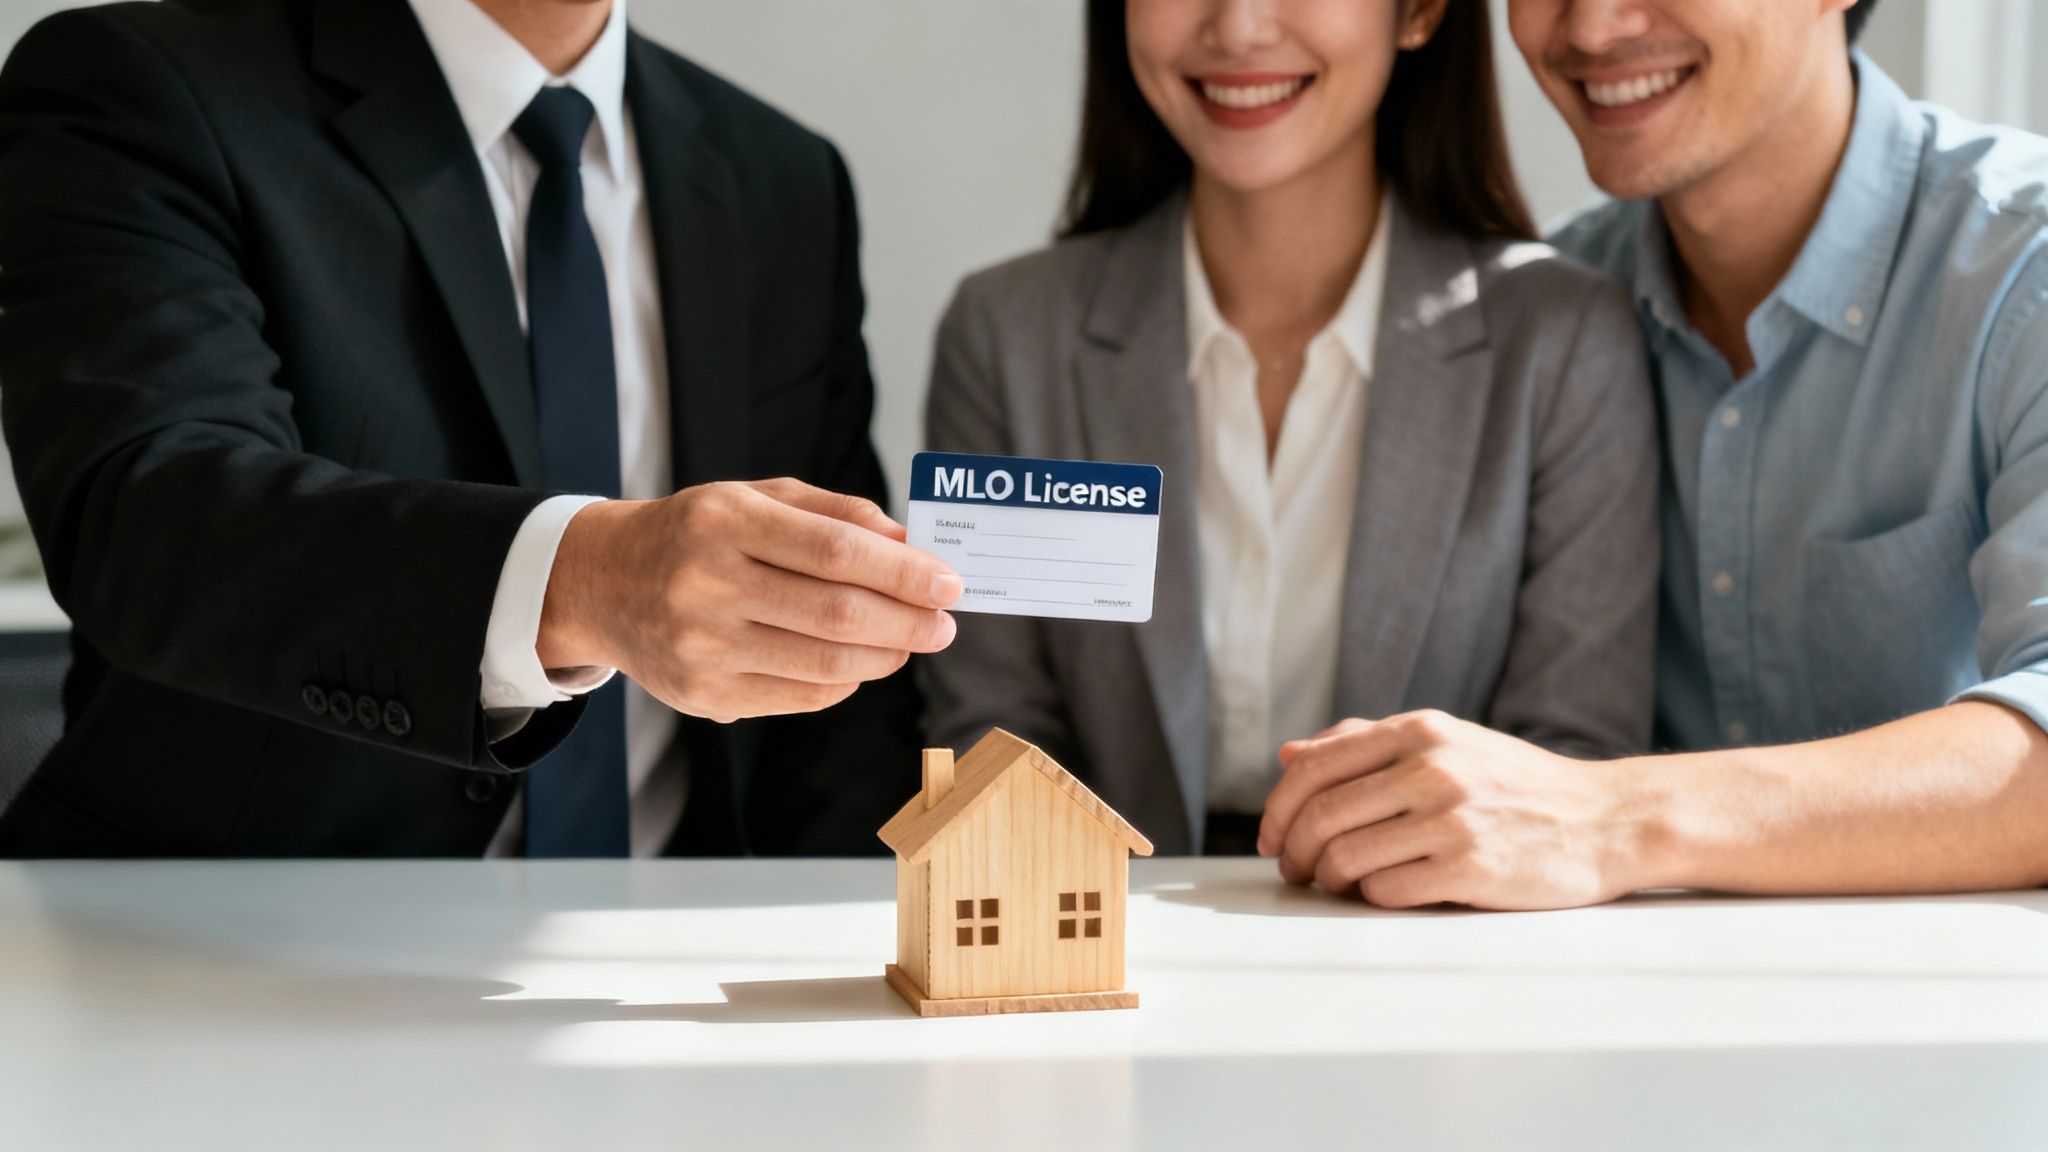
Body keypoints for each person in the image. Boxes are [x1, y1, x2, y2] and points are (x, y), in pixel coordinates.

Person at [0, 0, 963, 857]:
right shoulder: (143, 84)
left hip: (674, 964)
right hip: (231, 952)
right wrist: (585, 579)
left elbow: (833, 685)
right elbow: (152, 516)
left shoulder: (782, 178)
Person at [1259, 0, 2048, 909]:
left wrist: (1612, 816)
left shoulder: (2019, 270)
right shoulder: (1544, 319)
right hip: (1619, 1015)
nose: (1591, 27)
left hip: (1960, 1025)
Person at [922, 0, 1658, 855]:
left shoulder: (1562, 342)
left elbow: (1567, 770)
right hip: (1094, 943)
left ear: (1419, 11)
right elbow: (993, 739)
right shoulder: (1009, 336)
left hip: (1435, 942)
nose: (1237, 29)